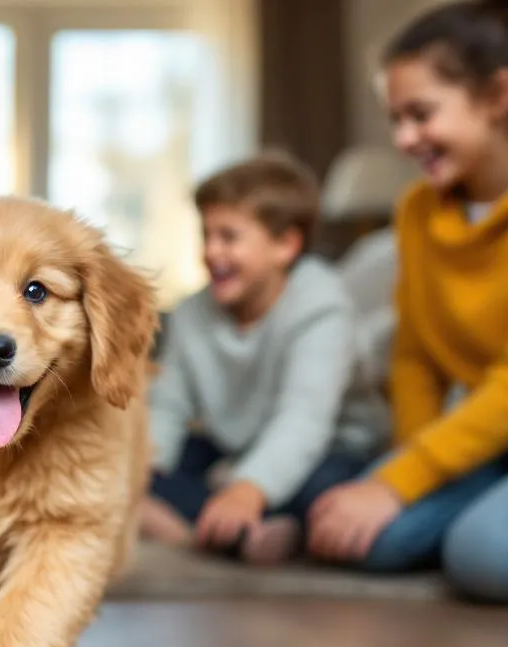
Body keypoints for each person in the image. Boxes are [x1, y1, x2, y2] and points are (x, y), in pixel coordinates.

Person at [308, 0, 508, 603]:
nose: (404, 139)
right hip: (507, 440)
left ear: (498, 95)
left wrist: (399, 484)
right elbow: (415, 359)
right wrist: (410, 465)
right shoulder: (418, 212)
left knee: (488, 555)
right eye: (395, 119)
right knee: (362, 537)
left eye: (421, 114)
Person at [139, 151, 388, 565]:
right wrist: (145, 470)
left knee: (326, 489)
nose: (211, 251)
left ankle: (217, 523)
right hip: (237, 443)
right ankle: (238, 532)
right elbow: (168, 405)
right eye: (206, 234)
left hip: (330, 445)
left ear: (285, 245)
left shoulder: (322, 307)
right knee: (137, 463)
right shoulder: (192, 313)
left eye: (229, 237)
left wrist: (248, 489)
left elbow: (303, 421)